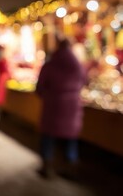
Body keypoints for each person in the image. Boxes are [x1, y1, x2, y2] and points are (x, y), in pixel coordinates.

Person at [35, 38, 86, 179]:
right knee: (71, 139)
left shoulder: (50, 65)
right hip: (73, 107)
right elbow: (84, 82)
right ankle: (71, 167)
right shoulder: (78, 66)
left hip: (52, 105)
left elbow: (39, 87)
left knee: (48, 136)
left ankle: (47, 167)